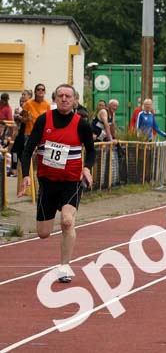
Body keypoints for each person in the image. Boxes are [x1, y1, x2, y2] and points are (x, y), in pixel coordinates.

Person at [18, 84, 95, 283]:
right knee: (43, 233)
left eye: (68, 96)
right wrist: (26, 175)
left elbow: (91, 151)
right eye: (60, 95)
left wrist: (87, 168)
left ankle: (64, 266)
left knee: (67, 221)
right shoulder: (44, 120)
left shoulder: (81, 124)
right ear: (55, 99)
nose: (64, 99)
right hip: (47, 181)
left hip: (70, 181)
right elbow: (27, 150)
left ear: (74, 100)